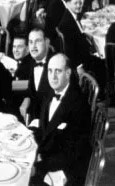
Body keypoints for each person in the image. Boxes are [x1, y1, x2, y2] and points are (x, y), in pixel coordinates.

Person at [29, 54, 92, 186]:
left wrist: (39, 165)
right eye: (50, 71)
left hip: (68, 171)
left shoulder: (79, 105)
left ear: (68, 73)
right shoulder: (50, 94)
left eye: (58, 71)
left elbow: (74, 153)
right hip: (50, 157)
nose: (53, 76)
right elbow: (46, 130)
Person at [19, 27, 54, 121]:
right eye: (31, 42)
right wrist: (27, 99)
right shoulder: (30, 61)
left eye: (37, 41)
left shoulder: (56, 65)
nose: (33, 46)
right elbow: (31, 89)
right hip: (36, 115)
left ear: (47, 42)